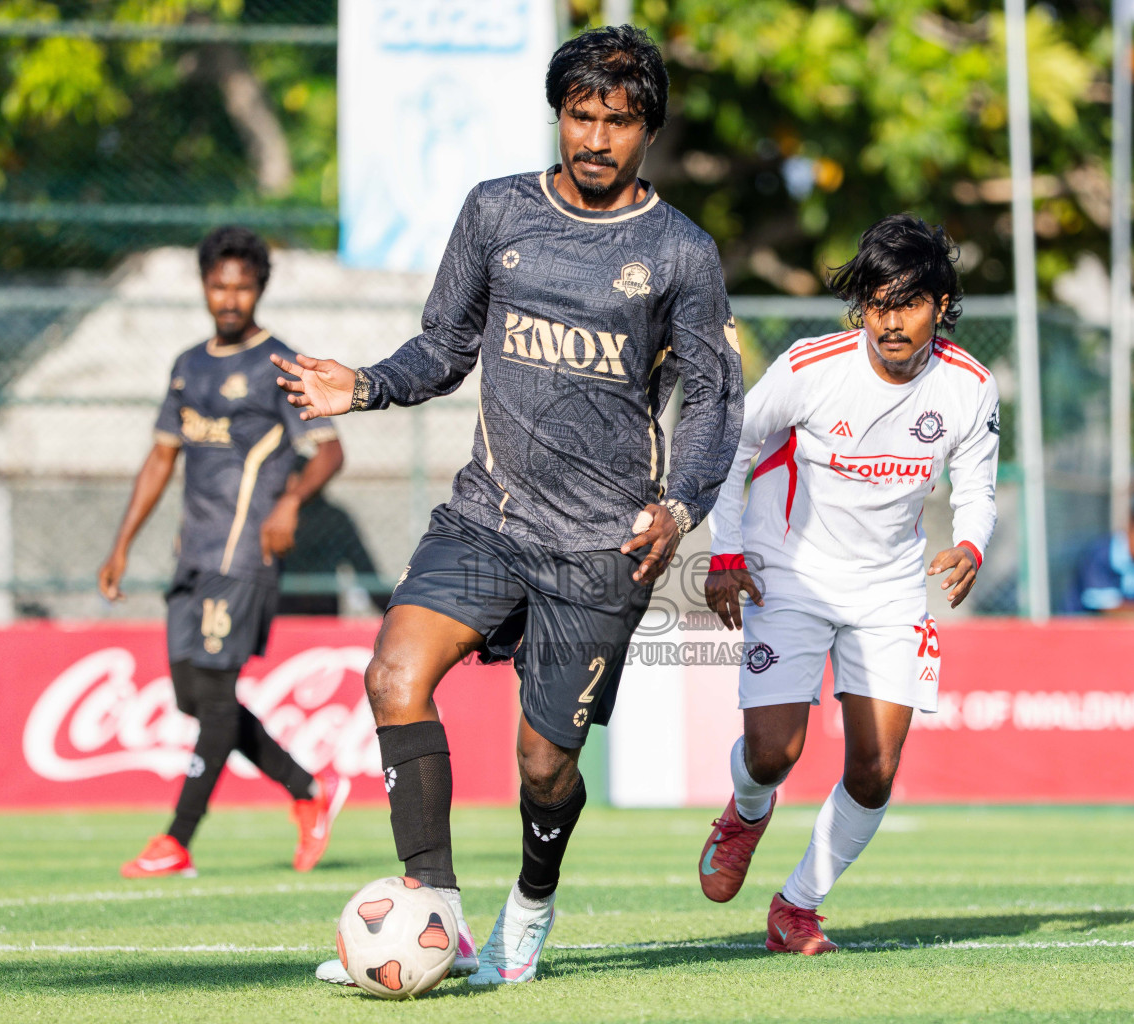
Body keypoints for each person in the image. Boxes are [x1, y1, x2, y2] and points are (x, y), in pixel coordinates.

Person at [273, 26, 742, 986]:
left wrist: (681, 508)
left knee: (541, 765)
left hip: (604, 546)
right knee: (394, 671)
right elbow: (442, 349)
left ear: (647, 130)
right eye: (581, 115)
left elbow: (712, 402)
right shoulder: (495, 214)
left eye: (618, 121)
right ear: (558, 114)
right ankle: (434, 910)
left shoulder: (681, 253)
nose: (596, 138)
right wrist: (361, 386)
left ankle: (529, 904)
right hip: (488, 516)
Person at [697, 214, 998, 954]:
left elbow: (977, 490)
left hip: (889, 586)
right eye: (877, 301)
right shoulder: (811, 366)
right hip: (789, 573)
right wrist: (726, 552)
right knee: (773, 754)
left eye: (910, 302)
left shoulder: (970, 389)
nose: (892, 321)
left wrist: (970, 544)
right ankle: (746, 808)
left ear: (942, 306)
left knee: (875, 768)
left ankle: (797, 906)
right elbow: (733, 444)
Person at [98, 226, 350, 879]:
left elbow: (330, 449)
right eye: (219, 285)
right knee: (192, 696)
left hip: (244, 558)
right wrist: (122, 544)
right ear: (204, 288)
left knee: (213, 695)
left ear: (258, 289)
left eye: (242, 286)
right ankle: (305, 788)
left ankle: (177, 839)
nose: (230, 298)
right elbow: (161, 457)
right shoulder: (188, 365)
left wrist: (291, 500)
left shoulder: (280, 362)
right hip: (192, 558)